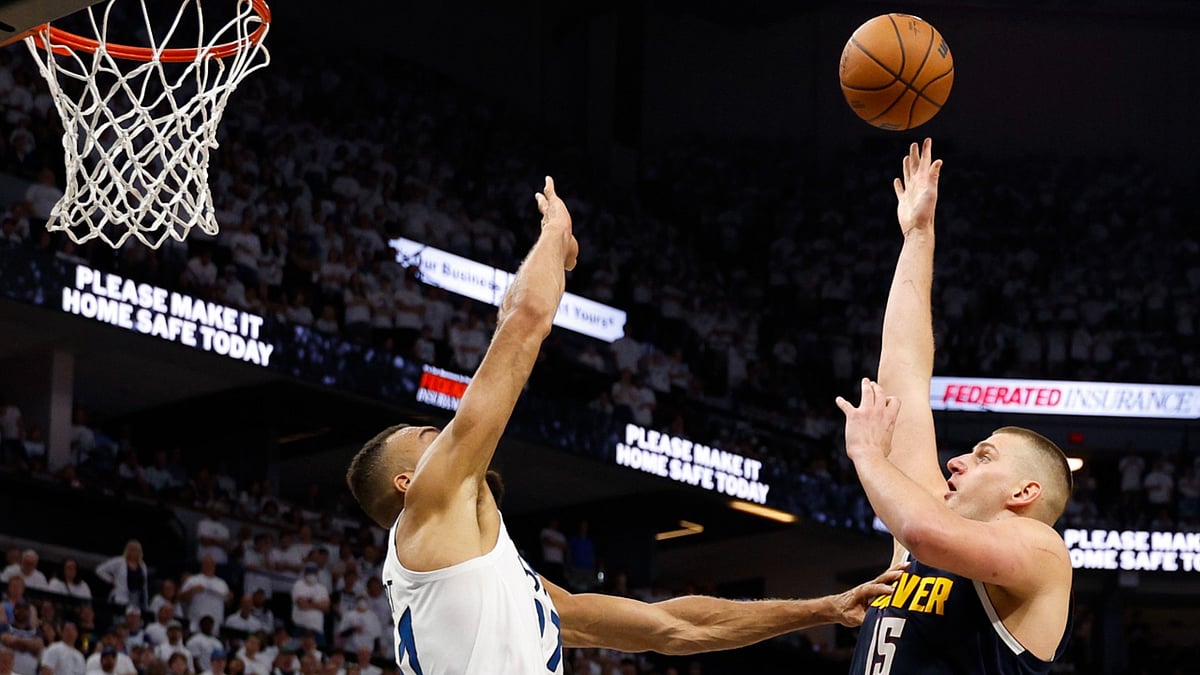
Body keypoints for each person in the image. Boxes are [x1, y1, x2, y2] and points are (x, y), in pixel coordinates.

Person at [345, 178, 901, 674]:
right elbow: (524, 323)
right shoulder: (429, 505)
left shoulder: (513, 593)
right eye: (429, 440)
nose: (444, 436)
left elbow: (675, 629)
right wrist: (555, 236)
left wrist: (824, 608)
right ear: (407, 483)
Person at [837, 140, 1073, 674]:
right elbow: (903, 369)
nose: (955, 461)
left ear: (1024, 492)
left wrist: (870, 457)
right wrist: (918, 236)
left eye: (985, 456)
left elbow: (922, 533)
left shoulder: (1040, 552)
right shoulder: (928, 519)